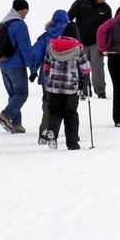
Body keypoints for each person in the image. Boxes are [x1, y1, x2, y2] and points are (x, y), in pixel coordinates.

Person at [41, 23, 91, 150]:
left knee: (54, 112)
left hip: (53, 86)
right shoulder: (77, 48)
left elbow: (46, 66)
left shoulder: (51, 46)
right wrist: (83, 78)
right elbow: (86, 68)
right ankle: (72, 143)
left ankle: (52, 131)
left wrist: (50, 77)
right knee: (71, 114)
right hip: (70, 87)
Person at [29, 9, 70, 144]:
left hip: (48, 77)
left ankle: (44, 133)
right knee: (67, 106)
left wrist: (34, 71)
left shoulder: (46, 36)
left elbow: (35, 54)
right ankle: (69, 133)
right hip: (68, 78)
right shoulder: (72, 35)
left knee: (48, 105)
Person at [68, 0, 113, 99]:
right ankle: (85, 90)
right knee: (82, 67)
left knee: (98, 67)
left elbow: (109, 29)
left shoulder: (106, 10)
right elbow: (69, 17)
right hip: (80, 42)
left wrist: (106, 46)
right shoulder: (82, 2)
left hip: (96, 43)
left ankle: (100, 91)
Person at [0, 0, 33, 134]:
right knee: (22, 93)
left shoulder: (3, 23)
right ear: (21, 9)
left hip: (3, 64)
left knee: (13, 94)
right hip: (16, 65)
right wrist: (32, 67)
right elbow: (25, 47)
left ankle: (16, 124)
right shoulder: (20, 25)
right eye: (26, 11)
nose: (26, 14)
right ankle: (5, 116)